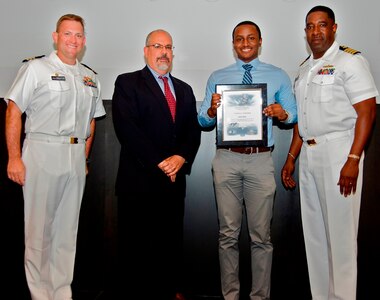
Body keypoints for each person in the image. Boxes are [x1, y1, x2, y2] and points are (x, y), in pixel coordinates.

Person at [4, 14, 106, 300]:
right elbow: (14, 111)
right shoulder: (36, 69)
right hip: (42, 151)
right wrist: (14, 157)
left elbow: (92, 122)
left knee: (66, 231)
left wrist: (83, 159)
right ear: (55, 36)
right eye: (67, 34)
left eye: (78, 35)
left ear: (84, 41)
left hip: (74, 156)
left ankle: (61, 292)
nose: (73, 40)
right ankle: (40, 294)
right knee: (39, 231)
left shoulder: (90, 76)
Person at [281, 5, 378, 300]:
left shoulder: (350, 61)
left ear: (334, 28)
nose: (315, 31)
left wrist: (353, 160)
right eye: (310, 26)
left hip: (339, 153)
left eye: (322, 25)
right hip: (309, 156)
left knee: (341, 238)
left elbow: (367, 112)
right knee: (316, 237)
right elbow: (302, 120)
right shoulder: (303, 67)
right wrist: (290, 159)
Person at [198, 21, 297, 300]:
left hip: (260, 161)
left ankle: (260, 297)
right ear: (233, 43)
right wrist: (211, 108)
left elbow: (294, 114)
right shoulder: (218, 76)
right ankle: (230, 296)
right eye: (239, 39)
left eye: (250, 38)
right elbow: (203, 121)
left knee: (261, 238)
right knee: (227, 235)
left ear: (260, 41)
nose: (245, 43)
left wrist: (281, 113)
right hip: (226, 159)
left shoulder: (277, 75)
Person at [111, 29, 201, 300]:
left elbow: (192, 132)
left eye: (168, 47)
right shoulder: (127, 83)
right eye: (157, 46)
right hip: (138, 181)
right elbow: (127, 129)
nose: (164, 52)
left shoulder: (184, 89)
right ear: (146, 50)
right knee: (136, 246)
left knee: (170, 243)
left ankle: (169, 290)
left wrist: (181, 158)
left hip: (174, 182)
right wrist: (162, 162)